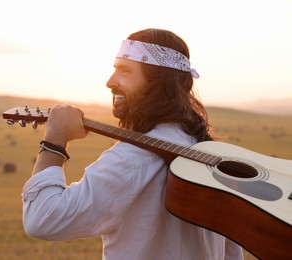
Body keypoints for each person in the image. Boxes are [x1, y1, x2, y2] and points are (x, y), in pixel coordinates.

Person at [22, 28, 243, 259]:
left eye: (125, 71)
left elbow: (42, 218)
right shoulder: (207, 151)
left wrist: (54, 141)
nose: (110, 82)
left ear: (159, 83)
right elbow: (231, 253)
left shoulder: (131, 159)